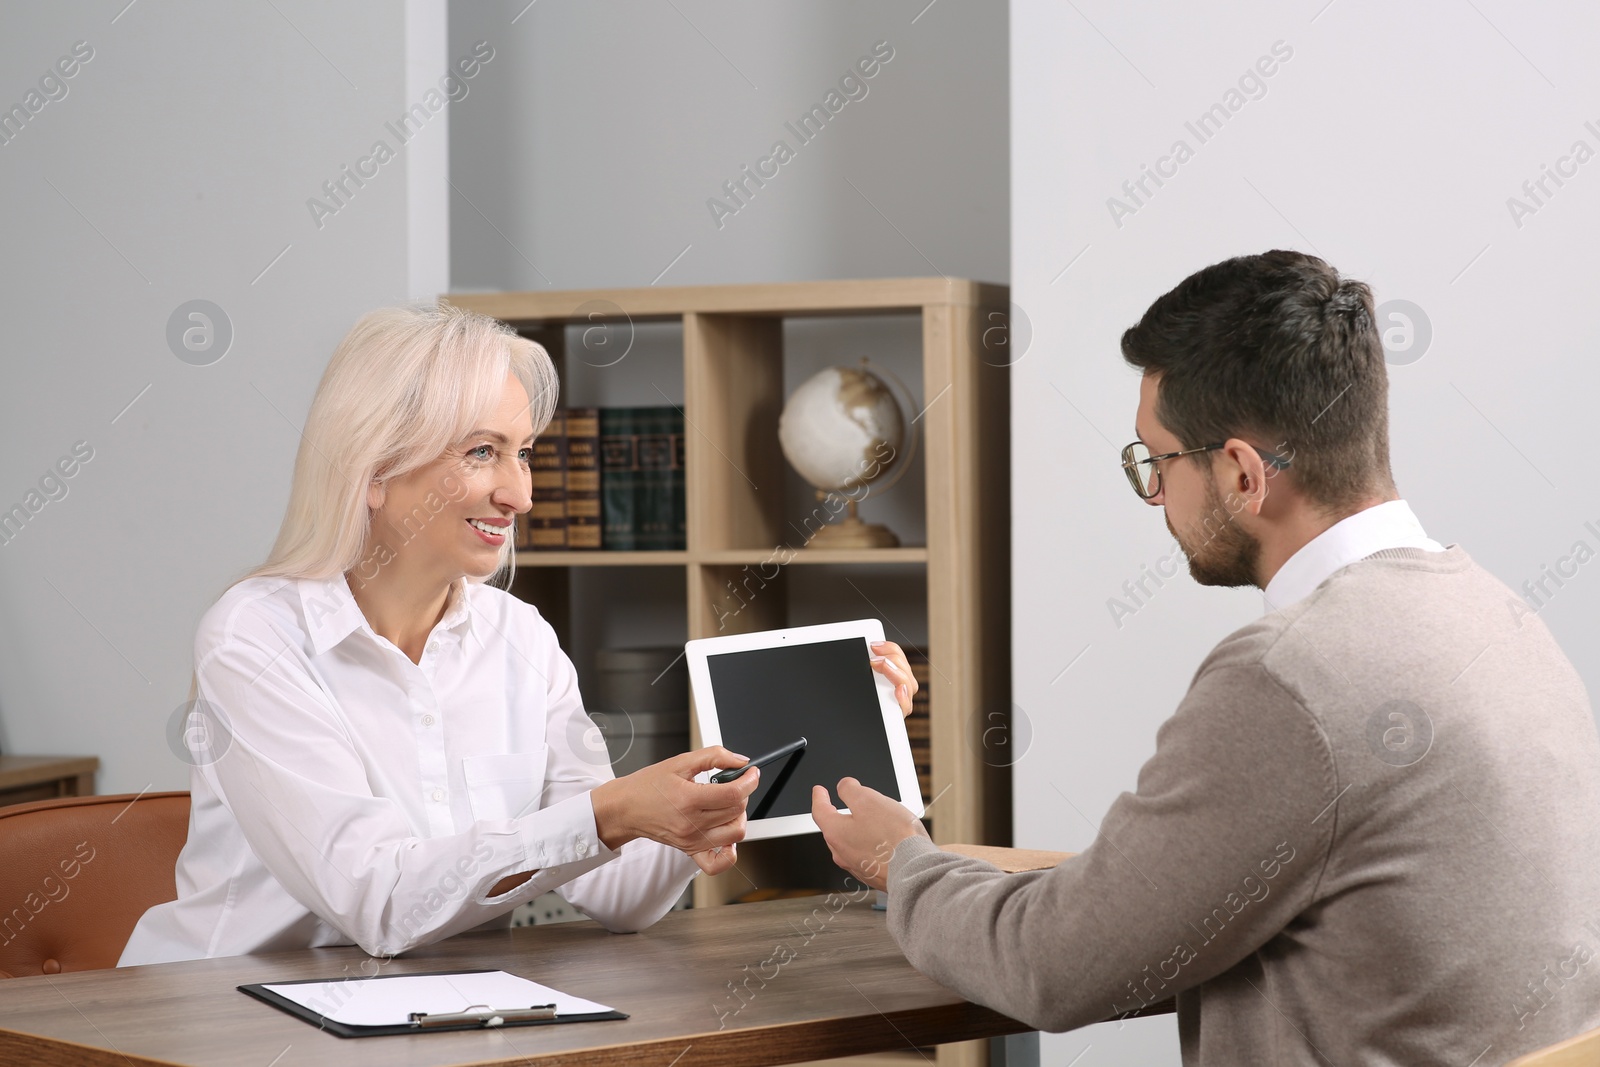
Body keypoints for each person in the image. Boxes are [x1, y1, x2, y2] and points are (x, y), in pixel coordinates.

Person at [813, 250, 1600, 1065]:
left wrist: (900, 860)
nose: (1155, 495)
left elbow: (1052, 966)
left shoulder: (1294, 679)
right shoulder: (1504, 618)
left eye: (1157, 461)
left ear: (1241, 473)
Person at [120, 304, 920, 965]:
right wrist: (610, 814)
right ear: (371, 469)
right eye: (483, 452)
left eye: (524, 453)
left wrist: (724, 790)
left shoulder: (518, 638)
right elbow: (379, 901)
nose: (521, 493)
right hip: (223, 1026)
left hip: (422, 1016)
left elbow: (615, 895)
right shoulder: (255, 637)